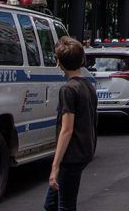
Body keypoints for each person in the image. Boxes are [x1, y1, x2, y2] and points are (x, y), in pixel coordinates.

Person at [44, 37, 97, 211]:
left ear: (59, 63)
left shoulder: (68, 89)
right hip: (84, 151)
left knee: (65, 205)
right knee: (51, 204)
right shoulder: (88, 86)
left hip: (71, 155)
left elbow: (67, 129)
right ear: (81, 60)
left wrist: (55, 165)